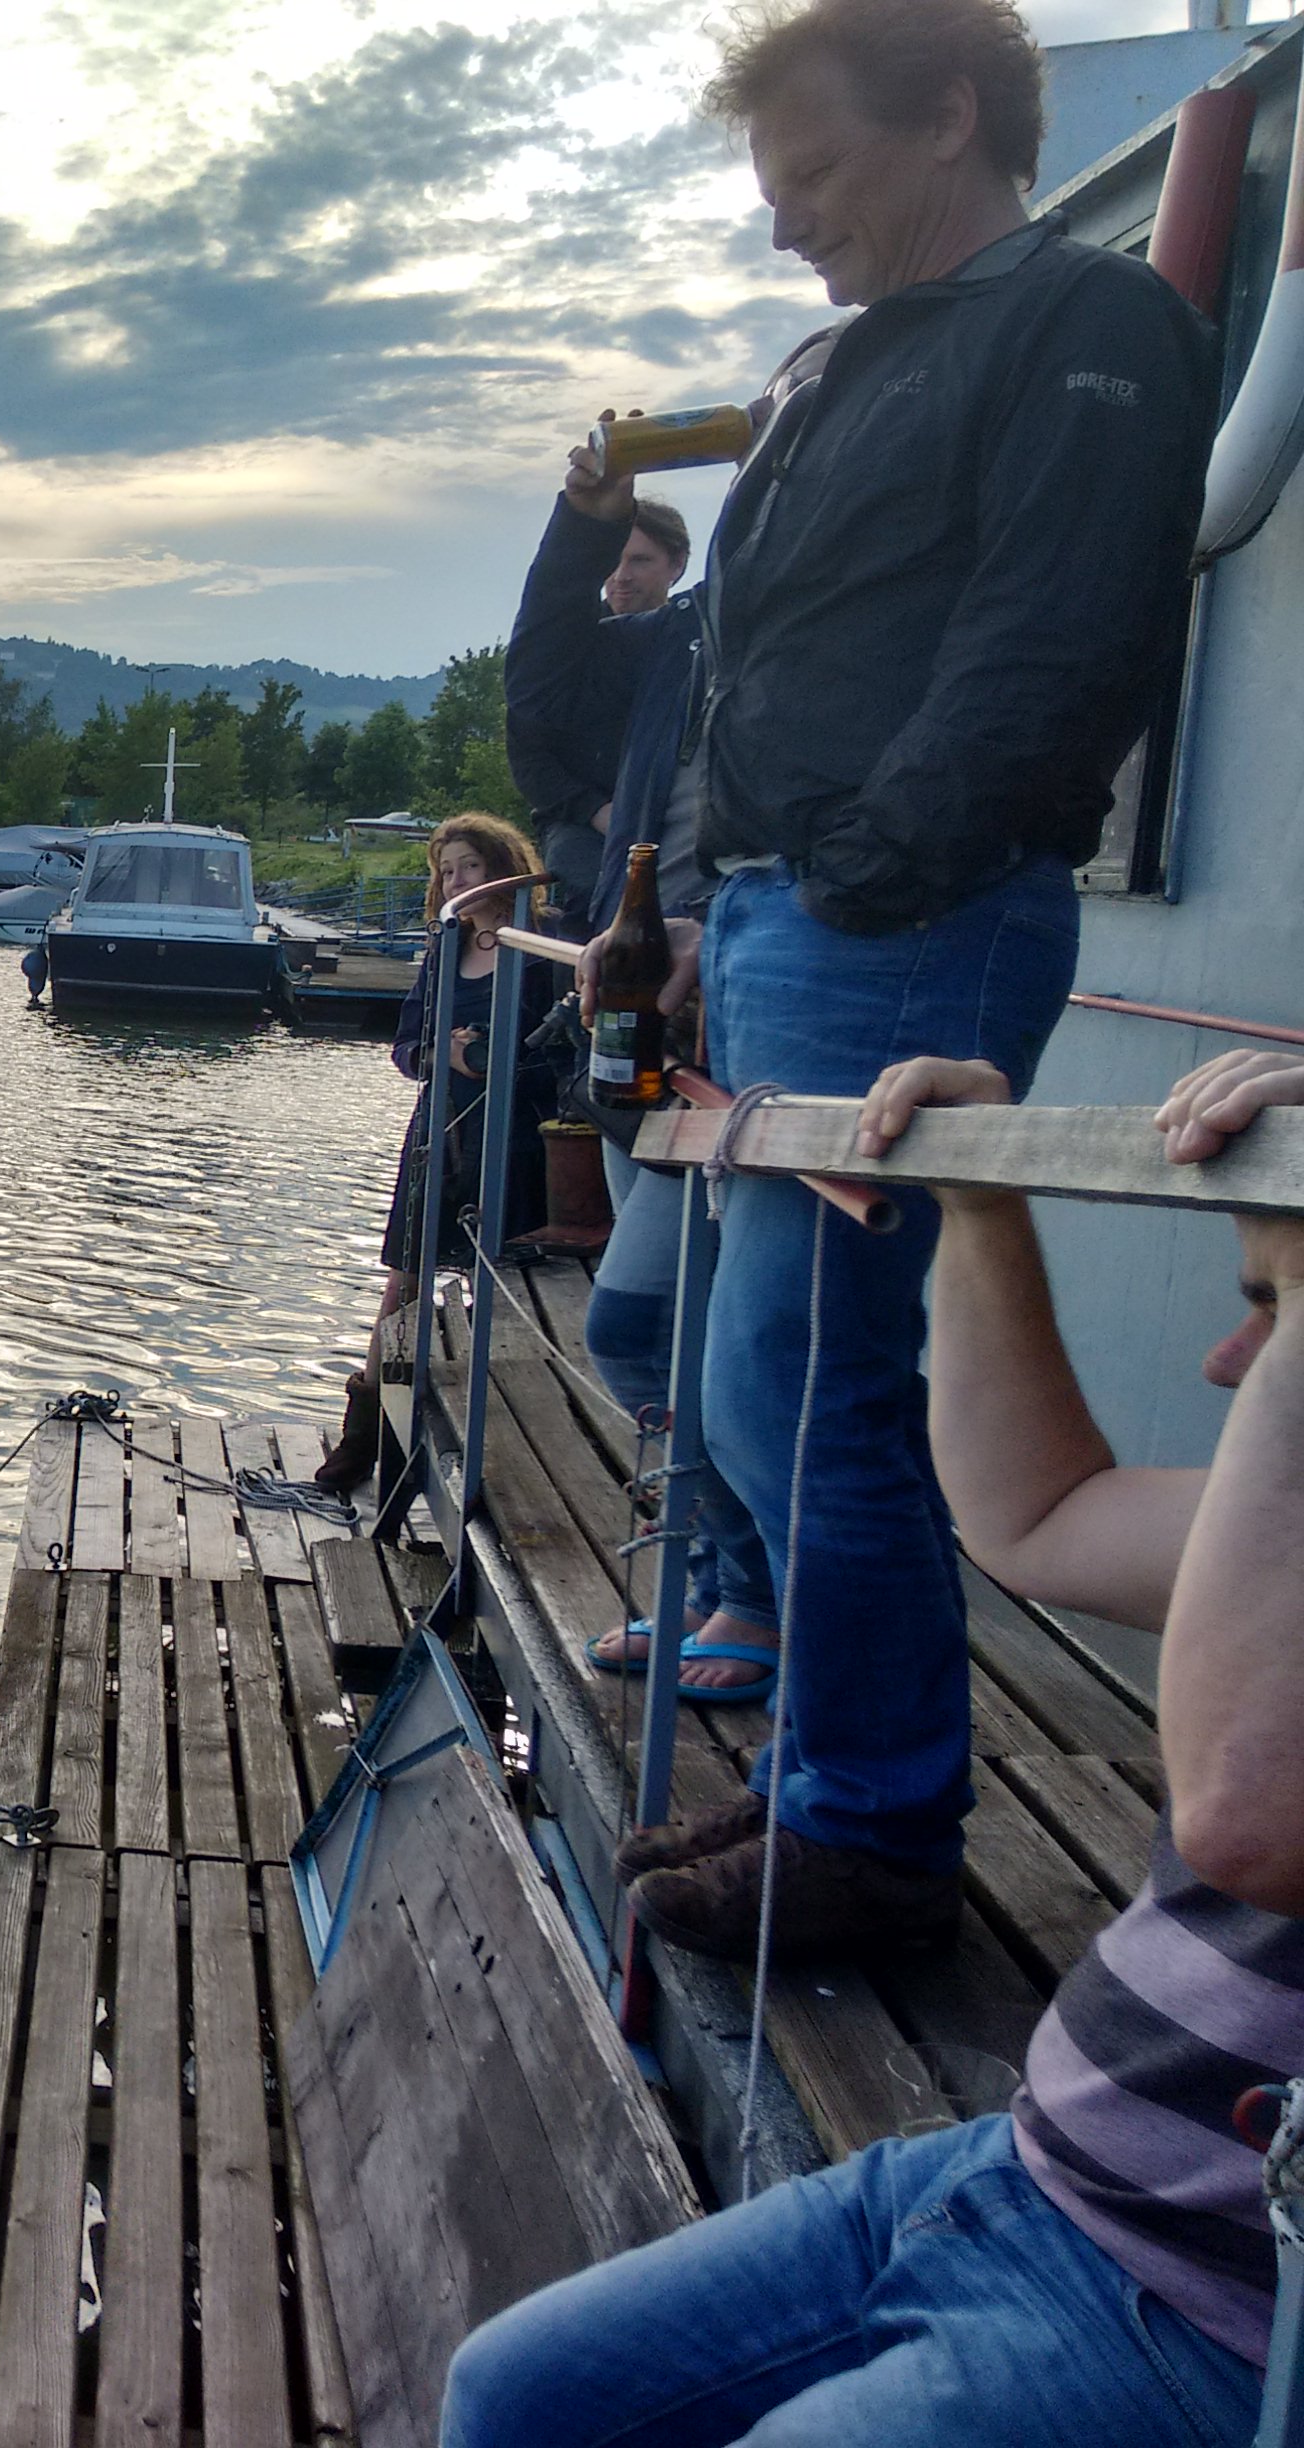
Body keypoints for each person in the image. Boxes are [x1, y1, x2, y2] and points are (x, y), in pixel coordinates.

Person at [577, 0, 1220, 1958]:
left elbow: (1056, 642)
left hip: (901, 927)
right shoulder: (853, 366)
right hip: (793, 927)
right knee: (742, 1356)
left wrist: (852, 882)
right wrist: (709, 909)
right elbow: (756, 671)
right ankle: (819, 1786)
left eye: (818, 181)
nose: (790, 229)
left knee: (812, 1370)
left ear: (953, 111)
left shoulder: (1085, 330)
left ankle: (871, 1834)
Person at [439, 1046, 1304, 2448]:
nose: (1227, 1361)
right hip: (1026, 2171)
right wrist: (981, 1204)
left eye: (1268, 1312)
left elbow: (1250, 1815)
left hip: (1211, 2314)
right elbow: (1039, 1510)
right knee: (516, 2396)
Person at [511, 418, 797, 1701]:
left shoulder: (813, 647)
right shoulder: (678, 644)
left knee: (643, 1324)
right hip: (643, 1001)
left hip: (742, 1008)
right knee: (672, 1321)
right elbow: (544, 688)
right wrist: (581, 521)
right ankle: (708, 1574)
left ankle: (749, 1589)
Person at [372, 814, 562, 1315]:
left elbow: (568, 1054)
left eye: (470, 866)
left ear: (502, 867)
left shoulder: (549, 944)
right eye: (447, 871)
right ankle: (372, 1389)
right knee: (404, 1272)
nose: (456, 881)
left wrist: (505, 1061)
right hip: (442, 1132)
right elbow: (406, 1045)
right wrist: (446, 1055)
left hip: (519, 1135)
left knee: (504, 1277)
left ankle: (497, 1375)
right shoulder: (444, 951)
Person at [505, 498, 693, 915]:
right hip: (581, 824)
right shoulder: (566, 649)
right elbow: (529, 759)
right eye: (614, 561)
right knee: (605, 898)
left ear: (676, 564)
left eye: (640, 561)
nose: (622, 577)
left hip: (674, 815)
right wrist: (596, 810)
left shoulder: (694, 646)